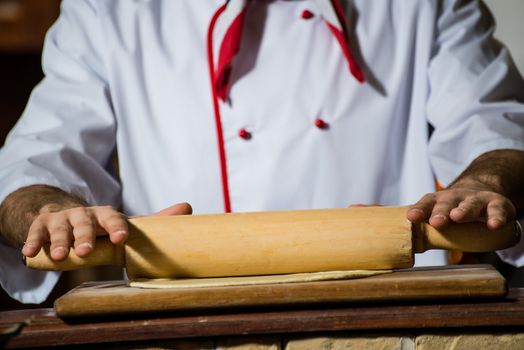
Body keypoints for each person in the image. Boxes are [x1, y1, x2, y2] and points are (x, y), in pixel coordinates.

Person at [1, 0, 524, 304]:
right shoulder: (108, 9)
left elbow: (496, 125)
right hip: (180, 324)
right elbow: (35, 161)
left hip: (392, 318)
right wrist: (48, 212)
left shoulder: (425, 4)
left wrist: (485, 186)